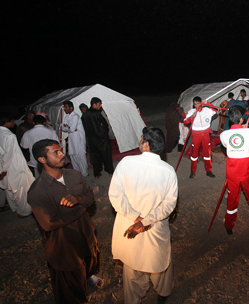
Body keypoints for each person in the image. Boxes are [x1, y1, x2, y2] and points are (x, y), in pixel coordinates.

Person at [109, 126, 178, 304]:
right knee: (159, 263)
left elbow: (115, 195)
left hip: (129, 223)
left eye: (141, 139)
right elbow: (169, 204)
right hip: (155, 226)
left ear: (146, 144)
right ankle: (163, 293)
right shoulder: (168, 170)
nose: (140, 142)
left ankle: (133, 299)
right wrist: (146, 220)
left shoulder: (126, 162)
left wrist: (135, 217)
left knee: (132, 264)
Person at [28, 139, 101, 303]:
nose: (62, 154)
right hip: (63, 242)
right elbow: (49, 223)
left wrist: (79, 198)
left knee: (90, 257)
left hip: (85, 231)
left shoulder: (74, 175)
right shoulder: (37, 191)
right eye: (56, 152)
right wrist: (80, 209)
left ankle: (88, 276)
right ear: (42, 160)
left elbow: (89, 197)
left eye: (61, 150)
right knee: (70, 278)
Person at [220, 106, 249, 234]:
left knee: (232, 200)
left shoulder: (223, 135)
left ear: (230, 119)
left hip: (232, 174)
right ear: (242, 119)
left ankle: (229, 226)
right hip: (248, 173)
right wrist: (246, 131)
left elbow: (229, 144)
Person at [0, 113, 34, 217]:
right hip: (13, 166)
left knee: (10, 190)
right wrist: (2, 170)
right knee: (21, 190)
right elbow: (8, 155)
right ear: (6, 123)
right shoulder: (9, 136)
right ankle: (24, 211)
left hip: (3, 166)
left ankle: (15, 208)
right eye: (12, 121)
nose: (13, 123)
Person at [183, 96, 218, 178]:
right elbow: (185, 121)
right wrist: (192, 117)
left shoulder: (207, 110)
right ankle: (192, 171)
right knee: (194, 153)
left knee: (207, 153)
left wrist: (208, 103)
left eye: (198, 103)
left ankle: (208, 170)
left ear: (201, 103)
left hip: (206, 134)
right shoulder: (191, 111)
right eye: (195, 104)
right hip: (196, 134)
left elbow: (216, 110)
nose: (196, 106)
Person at [81, 97, 114, 179]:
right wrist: (103, 128)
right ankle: (110, 172)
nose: (100, 106)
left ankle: (96, 174)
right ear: (94, 104)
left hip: (92, 140)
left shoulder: (85, 114)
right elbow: (105, 125)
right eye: (99, 104)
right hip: (102, 139)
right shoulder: (97, 113)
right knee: (106, 156)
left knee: (95, 157)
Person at [62, 101, 88, 177]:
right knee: (73, 156)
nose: (65, 109)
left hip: (78, 140)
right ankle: (77, 173)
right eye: (64, 107)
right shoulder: (67, 117)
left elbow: (72, 129)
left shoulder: (76, 116)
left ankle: (84, 173)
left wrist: (68, 127)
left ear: (71, 108)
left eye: (66, 107)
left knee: (81, 157)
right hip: (71, 139)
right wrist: (68, 128)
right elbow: (63, 128)